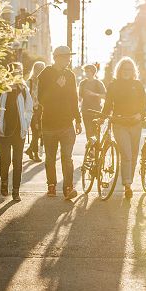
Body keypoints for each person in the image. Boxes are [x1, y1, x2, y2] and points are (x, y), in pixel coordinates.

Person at [38, 46, 82, 200]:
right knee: (50, 157)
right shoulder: (45, 74)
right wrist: (57, 86)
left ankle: (68, 188)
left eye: (69, 57)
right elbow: (41, 99)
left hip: (67, 124)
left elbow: (74, 98)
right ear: (56, 57)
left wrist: (78, 119)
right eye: (65, 57)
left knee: (67, 158)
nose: (68, 60)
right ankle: (51, 185)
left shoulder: (70, 75)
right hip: (49, 123)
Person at [102, 57, 146, 199]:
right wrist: (102, 117)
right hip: (119, 123)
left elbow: (144, 103)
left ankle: (128, 180)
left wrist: (140, 115)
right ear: (119, 70)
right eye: (124, 69)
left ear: (133, 71)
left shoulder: (137, 85)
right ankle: (127, 184)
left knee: (134, 154)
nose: (126, 72)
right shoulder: (113, 85)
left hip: (135, 123)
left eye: (129, 69)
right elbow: (108, 104)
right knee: (126, 153)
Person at [0, 62, 33, 202]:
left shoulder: (24, 89)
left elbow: (29, 109)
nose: (18, 74)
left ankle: (16, 190)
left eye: (20, 72)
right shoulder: (1, 88)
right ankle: (4, 182)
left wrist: (26, 123)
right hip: (4, 131)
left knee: (18, 162)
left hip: (19, 131)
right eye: (15, 72)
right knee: (5, 160)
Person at [25, 61, 46, 162]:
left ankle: (30, 150)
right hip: (33, 110)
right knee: (36, 132)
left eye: (43, 68)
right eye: (39, 68)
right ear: (35, 69)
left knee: (40, 132)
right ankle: (35, 153)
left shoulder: (43, 81)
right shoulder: (30, 81)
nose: (41, 71)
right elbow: (27, 97)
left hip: (42, 109)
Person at [79, 64, 106, 139]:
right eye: (85, 71)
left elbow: (105, 96)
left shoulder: (98, 83)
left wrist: (93, 94)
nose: (86, 73)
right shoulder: (82, 83)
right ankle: (90, 149)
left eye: (88, 71)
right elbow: (79, 98)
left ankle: (96, 149)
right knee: (89, 132)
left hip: (96, 111)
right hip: (85, 111)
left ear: (93, 72)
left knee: (96, 132)